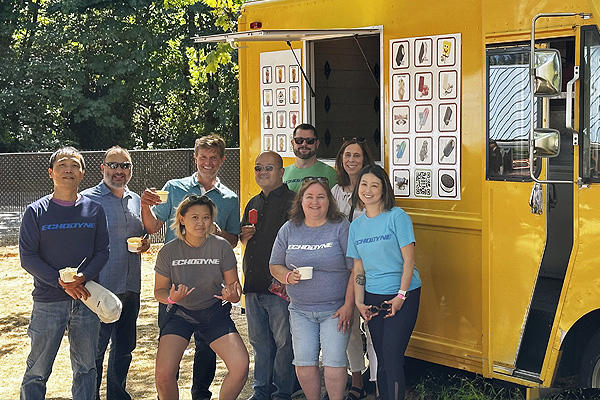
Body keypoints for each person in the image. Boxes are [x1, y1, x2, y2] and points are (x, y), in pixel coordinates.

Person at [141, 133, 240, 400]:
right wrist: (144, 205)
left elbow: (233, 239)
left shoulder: (229, 198)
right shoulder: (174, 187)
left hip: (211, 287)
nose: (208, 162)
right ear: (195, 158)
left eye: (213, 158)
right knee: (169, 356)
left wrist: (219, 234)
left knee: (206, 351)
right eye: (203, 157)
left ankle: (201, 395)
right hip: (176, 286)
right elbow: (153, 227)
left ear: (222, 160)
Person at [19, 146, 110, 400]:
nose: (67, 169)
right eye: (61, 165)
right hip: (48, 301)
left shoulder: (94, 210)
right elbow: (28, 257)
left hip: (87, 299)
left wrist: (83, 278)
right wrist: (61, 283)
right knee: (37, 370)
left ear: (82, 173)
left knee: (86, 368)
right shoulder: (35, 211)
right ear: (51, 172)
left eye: (74, 165)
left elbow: (102, 252)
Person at [154, 195, 248, 400]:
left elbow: (235, 289)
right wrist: (171, 298)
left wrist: (232, 296)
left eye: (206, 217)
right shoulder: (168, 251)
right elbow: (159, 291)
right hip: (179, 315)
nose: (200, 223)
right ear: (181, 219)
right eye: (194, 217)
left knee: (240, 367)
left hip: (213, 314)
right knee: (163, 374)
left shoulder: (222, 247)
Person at [269, 178, 354, 400]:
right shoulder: (289, 228)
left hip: (335, 309)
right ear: (301, 201)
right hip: (300, 310)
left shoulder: (341, 227)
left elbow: (356, 270)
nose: (314, 202)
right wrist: (287, 276)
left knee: (334, 362)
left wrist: (348, 305)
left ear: (329, 201)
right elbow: (274, 265)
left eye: (320, 197)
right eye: (309, 197)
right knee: (304, 362)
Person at [346, 165, 422, 400]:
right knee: (380, 357)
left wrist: (400, 296)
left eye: (374, 185)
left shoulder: (397, 217)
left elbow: (409, 261)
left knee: (391, 357)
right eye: (364, 184)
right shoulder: (356, 226)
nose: (368, 190)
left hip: (402, 295)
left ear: (384, 189)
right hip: (372, 296)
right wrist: (359, 302)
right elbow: (358, 268)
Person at [81, 146, 150, 400]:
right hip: (100, 288)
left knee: (124, 350)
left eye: (125, 166)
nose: (118, 170)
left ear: (131, 170)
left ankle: (117, 395)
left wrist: (144, 243)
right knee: (95, 351)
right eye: (113, 165)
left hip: (131, 286)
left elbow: (141, 235)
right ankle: (90, 396)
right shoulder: (86, 200)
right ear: (102, 168)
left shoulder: (135, 200)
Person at [240, 151, 296, 400]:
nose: (263, 173)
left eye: (269, 168)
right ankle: (261, 390)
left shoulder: (294, 202)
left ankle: (282, 392)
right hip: (253, 284)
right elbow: (244, 240)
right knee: (259, 343)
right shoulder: (252, 202)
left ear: (282, 172)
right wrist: (243, 237)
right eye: (258, 168)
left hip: (279, 287)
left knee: (284, 343)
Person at [331, 138, 375, 400]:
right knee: (348, 328)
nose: (351, 160)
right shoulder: (336, 191)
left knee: (372, 326)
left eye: (357, 156)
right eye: (347, 155)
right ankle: (357, 379)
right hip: (344, 269)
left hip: (370, 268)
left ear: (365, 159)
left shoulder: (373, 189)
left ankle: (377, 378)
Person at [283, 123, 338, 192]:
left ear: (317, 144)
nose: (304, 144)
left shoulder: (331, 174)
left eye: (309, 141)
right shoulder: (282, 174)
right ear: (293, 143)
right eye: (299, 140)